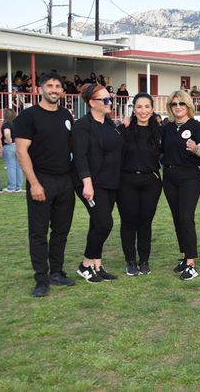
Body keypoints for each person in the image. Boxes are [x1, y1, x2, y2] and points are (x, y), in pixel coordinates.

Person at [14, 72, 76, 296]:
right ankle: (41, 279)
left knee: (61, 230)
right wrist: (34, 183)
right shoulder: (28, 116)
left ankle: (56, 272)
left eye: (58, 86)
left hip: (65, 181)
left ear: (62, 90)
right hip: (41, 180)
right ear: (40, 88)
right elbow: (21, 152)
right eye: (50, 86)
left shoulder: (66, 115)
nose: (54, 90)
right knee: (39, 232)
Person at [72, 83, 124, 283]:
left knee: (96, 224)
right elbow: (80, 156)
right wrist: (87, 183)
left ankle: (97, 266)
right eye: (106, 100)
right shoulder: (82, 125)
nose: (110, 102)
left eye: (110, 98)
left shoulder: (110, 124)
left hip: (111, 182)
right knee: (104, 224)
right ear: (92, 103)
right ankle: (85, 265)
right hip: (91, 184)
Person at [161, 90, 200, 280]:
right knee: (177, 218)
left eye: (181, 103)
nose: (178, 107)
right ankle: (184, 255)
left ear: (188, 106)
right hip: (169, 176)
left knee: (186, 217)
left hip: (189, 176)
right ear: (170, 107)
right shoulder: (167, 128)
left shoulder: (196, 126)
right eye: (174, 104)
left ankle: (191, 263)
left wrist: (195, 148)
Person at [116, 93, 162, 276]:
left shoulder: (159, 131)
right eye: (139, 107)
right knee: (128, 222)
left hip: (151, 182)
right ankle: (130, 261)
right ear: (133, 109)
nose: (143, 111)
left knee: (145, 222)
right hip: (127, 181)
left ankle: (144, 261)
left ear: (152, 109)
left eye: (147, 106)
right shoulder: (123, 129)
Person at [1, 109, 24, 192]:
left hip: (10, 146)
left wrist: (9, 140)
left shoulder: (7, 124)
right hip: (18, 145)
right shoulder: (18, 123)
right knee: (18, 167)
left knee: (11, 167)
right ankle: (18, 187)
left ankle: (11, 187)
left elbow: (7, 133)